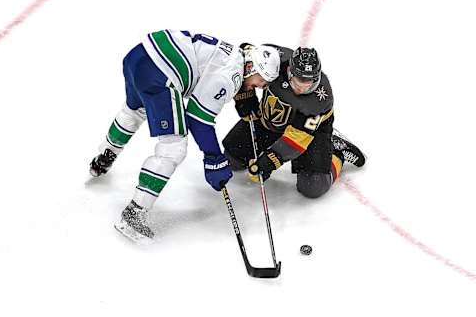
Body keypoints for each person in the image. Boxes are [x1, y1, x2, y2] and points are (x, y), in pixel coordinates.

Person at [89, 30, 280, 242]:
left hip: (139, 55)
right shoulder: (230, 76)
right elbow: (199, 119)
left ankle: (105, 156)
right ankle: (135, 212)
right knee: (174, 147)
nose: (260, 87)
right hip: (160, 73)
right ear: (251, 67)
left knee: (134, 111)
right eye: (262, 80)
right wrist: (214, 158)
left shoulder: (235, 54)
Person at [222, 44, 365, 199]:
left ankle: (337, 153)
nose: (301, 90)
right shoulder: (275, 60)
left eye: (308, 84)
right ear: (290, 71)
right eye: (297, 82)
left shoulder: (320, 99)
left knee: (312, 186)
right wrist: (245, 96)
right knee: (232, 160)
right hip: (270, 121)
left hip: (309, 133)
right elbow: (244, 59)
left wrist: (270, 160)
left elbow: (297, 138)